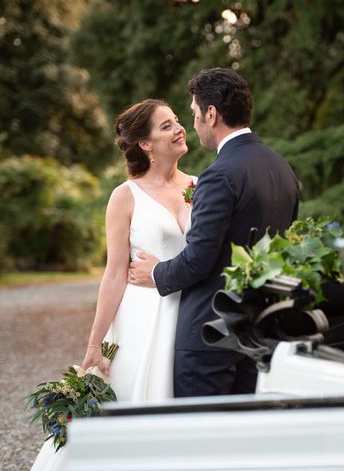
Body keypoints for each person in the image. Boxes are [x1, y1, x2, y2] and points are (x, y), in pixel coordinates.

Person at [31, 98, 193, 471]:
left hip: (186, 311)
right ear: (145, 144)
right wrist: (93, 344)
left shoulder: (199, 186)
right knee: (128, 402)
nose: (178, 128)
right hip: (140, 318)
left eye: (177, 121)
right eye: (166, 125)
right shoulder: (125, 196)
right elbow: (115, 271)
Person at [128, 68, 300, 397]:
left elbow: (198, 260)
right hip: (262, 328)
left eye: (193, 114)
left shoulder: (219, 175)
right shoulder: (282, 168)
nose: (192, 125)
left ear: (211, 113)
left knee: (202, 435)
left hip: (211, 334)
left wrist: (155, 271)